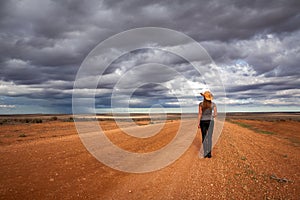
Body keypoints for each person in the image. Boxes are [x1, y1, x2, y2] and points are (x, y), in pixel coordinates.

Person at [197, 91, 217, 158]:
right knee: (209, 137)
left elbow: (200, 114)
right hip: (210, 121)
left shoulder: (201, 104)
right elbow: (215, 114)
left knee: (204, 137)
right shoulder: (213, 104)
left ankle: (205, 153)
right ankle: (209, 154)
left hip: (203, 121)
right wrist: (211, 116)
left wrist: (198, 123)